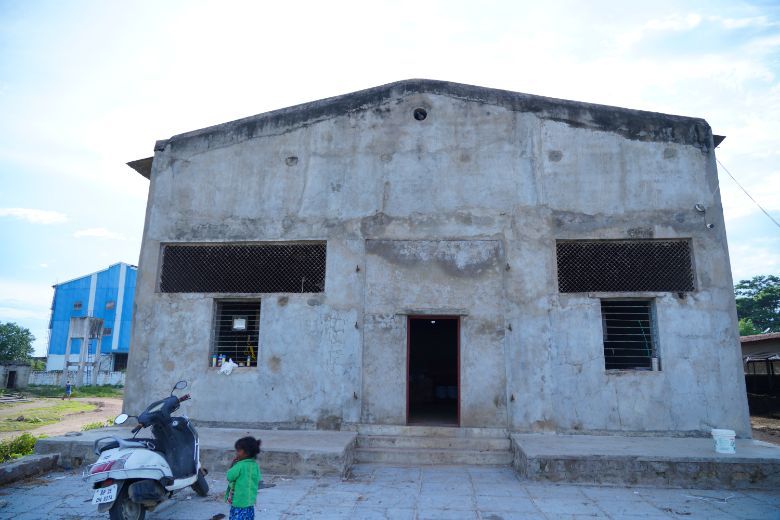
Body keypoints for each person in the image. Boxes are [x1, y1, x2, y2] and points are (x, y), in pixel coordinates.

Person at [224, 436, 261, 520]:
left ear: (246, 452)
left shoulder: (240, 465)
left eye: (238, 450)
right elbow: (258, 479)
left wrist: (233, 464)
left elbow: (229, 477)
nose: (236, 453)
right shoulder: (255, 465)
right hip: (250, 501)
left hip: (239, 501)